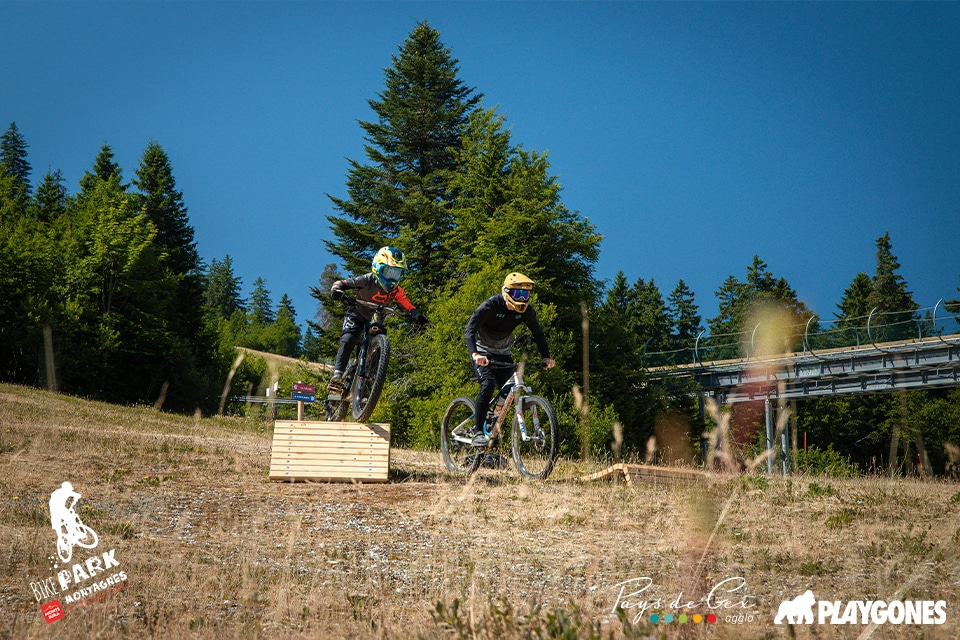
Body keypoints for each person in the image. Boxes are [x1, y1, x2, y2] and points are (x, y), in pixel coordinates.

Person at [464, 272, 555, 445]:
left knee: (509, 392)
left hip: (503, 353)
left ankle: (492, 426)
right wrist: (475, 354)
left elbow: (538, 333)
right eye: (518, 294)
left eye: (525, 294)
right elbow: (469, 330)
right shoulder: (491, 305)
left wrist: (546, 357)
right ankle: (477, 432)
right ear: (507, 292)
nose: (522, 298)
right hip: (482, 353)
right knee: (488, 384)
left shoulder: (527, 311)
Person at [328, 246, 428, 394]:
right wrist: (337, 290)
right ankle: (337, 376)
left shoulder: (396, 290)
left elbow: (407, 304)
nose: (392, 278)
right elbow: (343, 283)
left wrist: (416, 314)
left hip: (376, 320)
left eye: (397, 274)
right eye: (389, 272)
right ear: (378, 268)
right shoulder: (367, 280)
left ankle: (369, 382)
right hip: (356, 315)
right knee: (348, 339)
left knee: (378, 347)